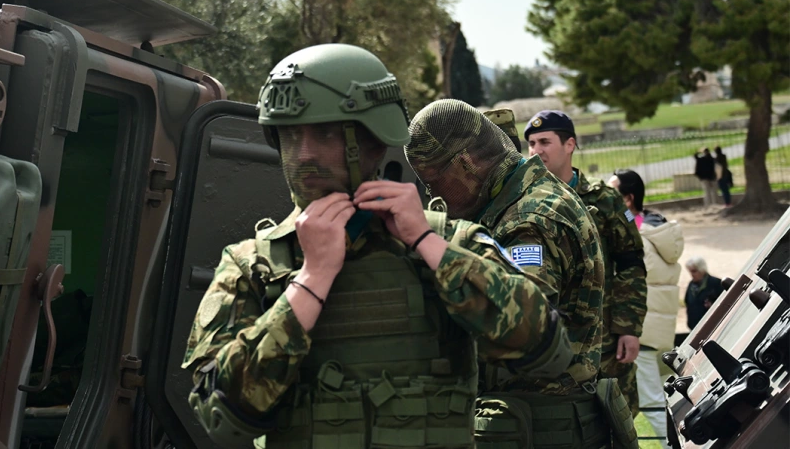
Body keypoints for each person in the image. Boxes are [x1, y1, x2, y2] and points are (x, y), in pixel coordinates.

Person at [182, 44, 574, 449]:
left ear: (372, 140)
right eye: (290, 135)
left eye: (325, 133)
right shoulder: (252, 265)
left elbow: (547, 350)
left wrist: (426, 242)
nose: (304, 154)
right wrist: (311, 279)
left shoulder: (448, 243)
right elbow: (222, 419)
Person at [405, 99, 618, 448]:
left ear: (465, 163)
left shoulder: (528, 220)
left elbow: (525, 328)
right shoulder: (523, 198)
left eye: (434, 181)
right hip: (535, 422)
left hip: (543, 427)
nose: (433, 193)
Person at [525, 110, 648, 415]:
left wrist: (628, 327)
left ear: (569, 145)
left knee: (618, 422)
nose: (536, 151)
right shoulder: (524, 202)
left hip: (604, 344)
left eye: (544, 142)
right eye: (531, 143)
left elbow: (631, 264)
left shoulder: (605, 200)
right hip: (552, 346)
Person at [609, 169, 685, 449]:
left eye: (611, 192)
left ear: (628, 199)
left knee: (650, 400)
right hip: (657, 327)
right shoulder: (658, 231)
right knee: (653, 396)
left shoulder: (636, 236)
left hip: (639, 328)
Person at [684, 256, 723, 330]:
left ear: (702, 270)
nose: (692, 274)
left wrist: (712, 305)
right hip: (694, 327)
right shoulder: (691, 285)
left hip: (712, 326)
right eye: (690, 271)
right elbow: (687, 302)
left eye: (694, 271)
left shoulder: (715, 283)